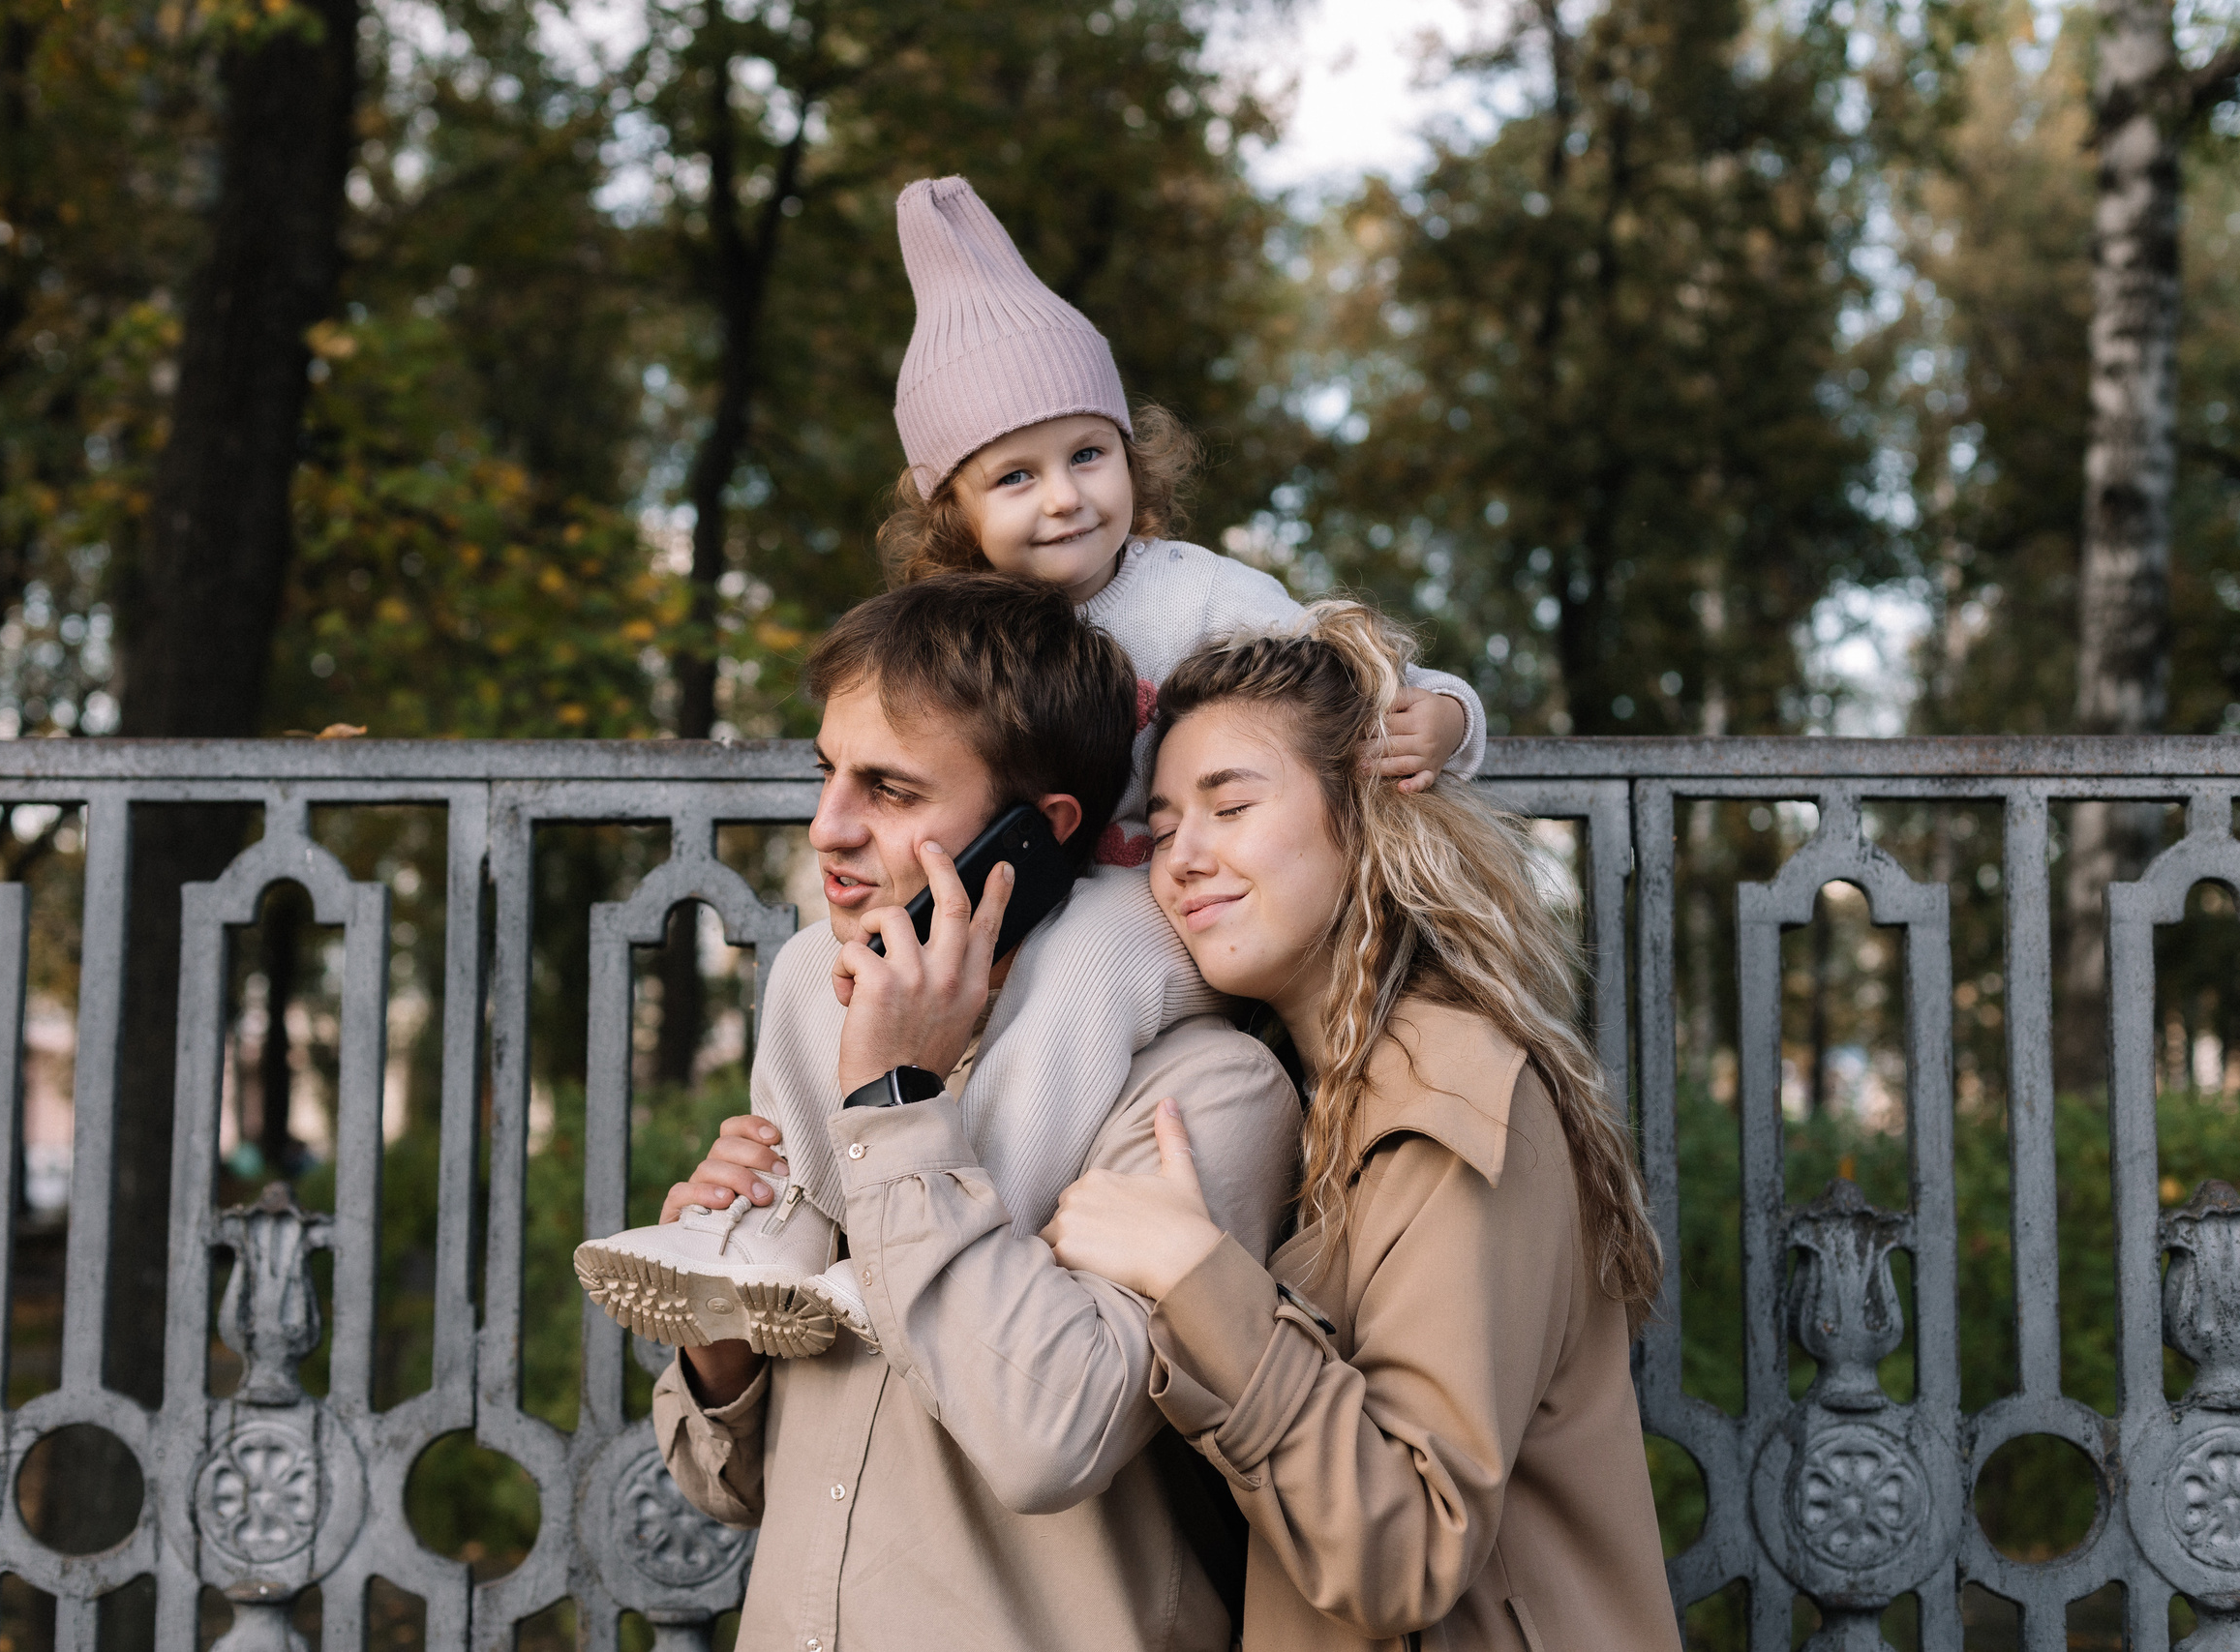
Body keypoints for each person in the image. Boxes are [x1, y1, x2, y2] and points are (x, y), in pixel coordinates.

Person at [575, 174, 1484, 1348]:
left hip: (1162, 901)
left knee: (1088, 954)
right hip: (1009, 897)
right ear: (945, 498)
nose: (1063, 499)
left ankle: (953, 1222)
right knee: (823, 963)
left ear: (1133, 455)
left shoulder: (1205, 595)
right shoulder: (957, 625)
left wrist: (1445, 717)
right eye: (1015, 475)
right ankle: (788, 1227)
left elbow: (1348, 679)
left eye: (1088, 456)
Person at [640, 571, 1305, 1652]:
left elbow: (1048, 1438)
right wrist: (726, 1333)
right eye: (828, 775)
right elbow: (737, 1489)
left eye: (891, 792)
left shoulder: (1202, 1094)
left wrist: (898, 1105)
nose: (827, 827)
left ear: (1036, 833)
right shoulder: (827, 1022)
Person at [1043, 602, 1680, 1651]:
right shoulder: (1292, 1098)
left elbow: (1406, 1553)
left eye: (1229, 806)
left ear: (1362, 815)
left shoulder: (1451, 1101)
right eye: (1160, 829)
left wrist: (1193, 1273)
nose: (1182, 858)